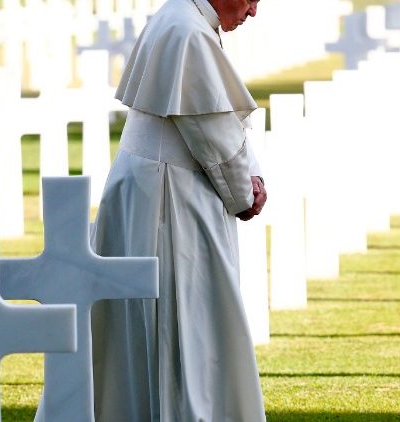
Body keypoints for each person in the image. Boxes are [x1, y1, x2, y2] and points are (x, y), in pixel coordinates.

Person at [90, 0, 267, 420]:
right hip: (170, 203)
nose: (254, 11)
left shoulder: (178, 18)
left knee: (141, 335)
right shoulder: (187, 31)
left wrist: (249, 177)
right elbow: (214, 133)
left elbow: (218, 119)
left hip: (153, 190)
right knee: (183, 333)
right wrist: (246, 192)